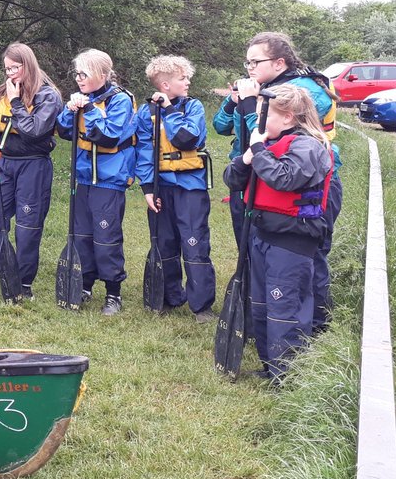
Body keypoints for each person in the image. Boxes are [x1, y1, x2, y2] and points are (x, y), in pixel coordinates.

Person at [218, 32, 341, 333]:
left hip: (303, 184)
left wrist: (251, 105)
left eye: (255, 62)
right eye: (247, 62)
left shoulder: (306, 90)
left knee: (307, 259)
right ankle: (263, 323)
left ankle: (314, 327)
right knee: (257, 252)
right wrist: (236, 102)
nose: (249, 68)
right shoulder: (258, 88)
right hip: (258, 177)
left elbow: (263, 136)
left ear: (279, 62)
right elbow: (221, 126)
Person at [222, 84, 333, 382]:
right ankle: (270, 365)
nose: (258, 122)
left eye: (264, 115)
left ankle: (288, 374)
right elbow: (232, 179)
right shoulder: (268, 144)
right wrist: (245, 159)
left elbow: (285, 179)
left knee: (285, 306)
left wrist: (258, 150)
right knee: (261, 304)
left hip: (291, 240)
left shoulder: (308, 147)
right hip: (262, 234)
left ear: (287, 117)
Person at [0, 43, 63, 301]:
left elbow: (35, 131)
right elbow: (1, 133)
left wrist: (15, 102)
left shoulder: (47, 95)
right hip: (6, 164)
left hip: (33, 166)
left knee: (27, 227)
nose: (10, 73)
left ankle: (22, 285)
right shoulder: (4, 91)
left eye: (15, 67)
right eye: (7, 69)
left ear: (27, 64)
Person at [134, 55, 216, 322]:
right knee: (164, 242)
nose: (188, 82)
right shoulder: (145, 113)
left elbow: (187, 139)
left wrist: (169, 110)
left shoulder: (193, 107)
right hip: (161, 186)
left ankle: (201, 305)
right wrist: (148, 188)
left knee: (194, 241)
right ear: (165, 85)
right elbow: (143, 151)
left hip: (190, 185)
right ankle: (169, 296)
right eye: (183, 78)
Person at [56, 48, 136, 316]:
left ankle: (113, 293)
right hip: (84, 178)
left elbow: (108, 136)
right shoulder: (83, 98)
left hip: (109, 179)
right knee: (82, 235)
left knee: (106, 238)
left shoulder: (120, 100)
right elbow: (64, 131)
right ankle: (85, 284)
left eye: (84, 74)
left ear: (102, 74)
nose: (79, 79)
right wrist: (69, 110)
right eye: (77, 74)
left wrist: (88, 109)